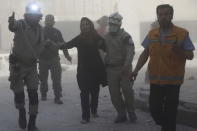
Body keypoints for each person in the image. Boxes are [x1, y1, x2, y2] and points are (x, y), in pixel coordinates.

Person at [130, 4, 195, 131]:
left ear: (171, 16)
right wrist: (135, 70)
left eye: (166, 14)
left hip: (173, 81)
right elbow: (145, 53)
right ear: (157, 16)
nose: (163, 17)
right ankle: (167, 126)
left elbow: (191, 55)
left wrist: (179, 51)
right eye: (160, 14)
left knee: (171, 112)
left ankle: (168, 127)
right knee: (154, 110)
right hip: (155, 80)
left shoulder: (182, 33)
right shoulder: (152, 33)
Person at [60, 17, 107, 124]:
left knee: (95, 92)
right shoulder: (79, 38)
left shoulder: (96, 37)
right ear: (81, 27)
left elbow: (106, 47)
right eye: (83, 25)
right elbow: (66, 45)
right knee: (84, 93)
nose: (85, 26)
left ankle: (94, 110)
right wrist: (54, 45)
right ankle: (85, 116)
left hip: (95, 70)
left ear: (90, 25)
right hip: (83, 71)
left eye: (87, 24)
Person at [8, 2, 44, 131]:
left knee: (33, 93)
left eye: (37, 16)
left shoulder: (40, 30)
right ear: (27, 16)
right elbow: (13, 26)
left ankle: (32, 122)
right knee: (18, 93)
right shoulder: (21, 24)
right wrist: (11, 22)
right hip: (18, 64)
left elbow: (42, 45)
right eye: (31, 15)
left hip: (32, 65)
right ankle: (21, 111)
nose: (34, 18)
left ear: (39, 16)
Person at [103, 12, 136, 123]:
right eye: (111, 23)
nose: (112, 26)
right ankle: (121, 113)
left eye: (115, 24)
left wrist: (126, 66)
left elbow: (130, 53)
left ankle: (131, 112)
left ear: (119, 24)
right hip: (111, 69)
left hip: (124, 68)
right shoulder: (105, 37)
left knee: (127, 91)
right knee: (114, 95)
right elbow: (101, 52)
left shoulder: (125, 36)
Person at [39, 14, 72, 104]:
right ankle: (43, 94)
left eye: (51, 20)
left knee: (57, 79)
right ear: (45, 21)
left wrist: (67, 55)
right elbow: (35, 44)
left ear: (53, 22)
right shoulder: (40, 31)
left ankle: (57, 96)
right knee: (43, 79)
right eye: (48, 20)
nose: (50, 21)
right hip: (42, 59)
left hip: (54, 58)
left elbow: (63, 45)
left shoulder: (57, 32)